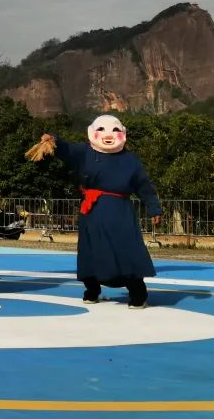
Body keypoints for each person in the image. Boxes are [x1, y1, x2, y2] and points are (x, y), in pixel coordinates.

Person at [26, 115, 162, 308]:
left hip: (121, 213)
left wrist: (154, 208)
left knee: (126, 251)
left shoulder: (130, 160)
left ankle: (138, 294)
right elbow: (66, 149)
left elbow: (143, 185)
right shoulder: (85, 152)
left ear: (122, 133)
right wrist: (53, 139)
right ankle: (91, 290)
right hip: (92, 212)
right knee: (90, 252)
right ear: (93, 131)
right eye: (102, 130)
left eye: (115, 130)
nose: (109, 135)